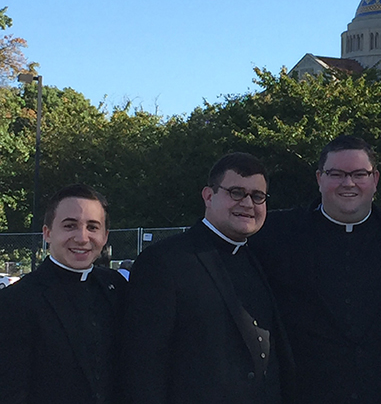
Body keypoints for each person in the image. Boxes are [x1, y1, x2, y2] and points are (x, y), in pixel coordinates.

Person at [251, 135, 381, 404]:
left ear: (375, 179)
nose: (348, 183)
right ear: (320, 179)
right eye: (336, 174)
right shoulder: (276, 234)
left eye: (359, 174)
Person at [121, 153, 295, 404]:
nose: (247, 203)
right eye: (236, 192)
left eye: (257, 196)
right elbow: (143, 365)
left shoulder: (263, 259)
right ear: (208, 196)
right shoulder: (164, 261)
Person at [0, 184, 127, 404]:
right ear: (47, 233)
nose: (82, 237)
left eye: (92, 227)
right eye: (70, 226)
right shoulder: (16, 301)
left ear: (105, 236)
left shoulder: (116, 288)